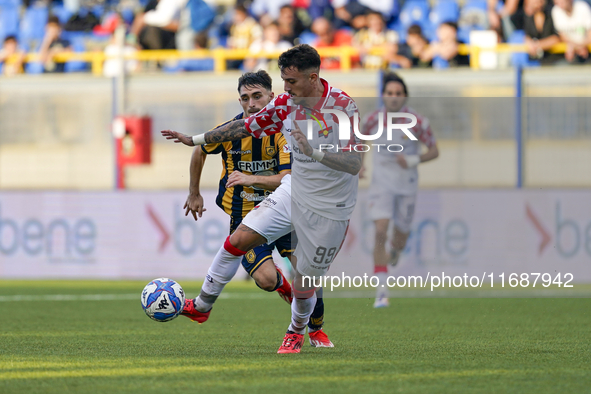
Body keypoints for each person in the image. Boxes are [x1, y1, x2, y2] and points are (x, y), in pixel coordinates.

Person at [162, 44, 361, 354]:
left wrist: (313, 152)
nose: (285, 88)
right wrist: (195, 139)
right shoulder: (284, 104)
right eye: (283, 80)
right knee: (237, 240)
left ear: (313, 77)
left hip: (331, 207)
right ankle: (202, 305)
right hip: (295, 190)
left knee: (306, 281)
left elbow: (354, 164)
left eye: (291, 81)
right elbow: (244, 126)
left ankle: (296, 331)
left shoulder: (343, 108)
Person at [183, 70, 332, 345]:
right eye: (244, 98)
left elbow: (290, 179)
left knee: (306, 272)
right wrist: (194, 192)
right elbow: (199, 149)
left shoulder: (283, 130)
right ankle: (284, 291)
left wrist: (252, 178)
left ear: (271, 97)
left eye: (257, 96)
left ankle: (317, 329)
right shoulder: (230, 130)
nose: (251, 104)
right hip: (245, 217)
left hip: (287, 213)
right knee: (265, 279)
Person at [361, 72, 439, 308]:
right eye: (389, 93)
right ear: (383, 95)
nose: (393, 98)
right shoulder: (373, 119)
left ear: (404, 96)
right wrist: (360, 163)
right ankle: (381, 291)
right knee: (380, 231)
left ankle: (395, 251)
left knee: (400, 236)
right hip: (381, 184)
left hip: (406, 184)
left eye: (398, 94)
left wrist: (413, 160)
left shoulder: (418, 121)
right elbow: (360, 141)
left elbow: (434, 151)